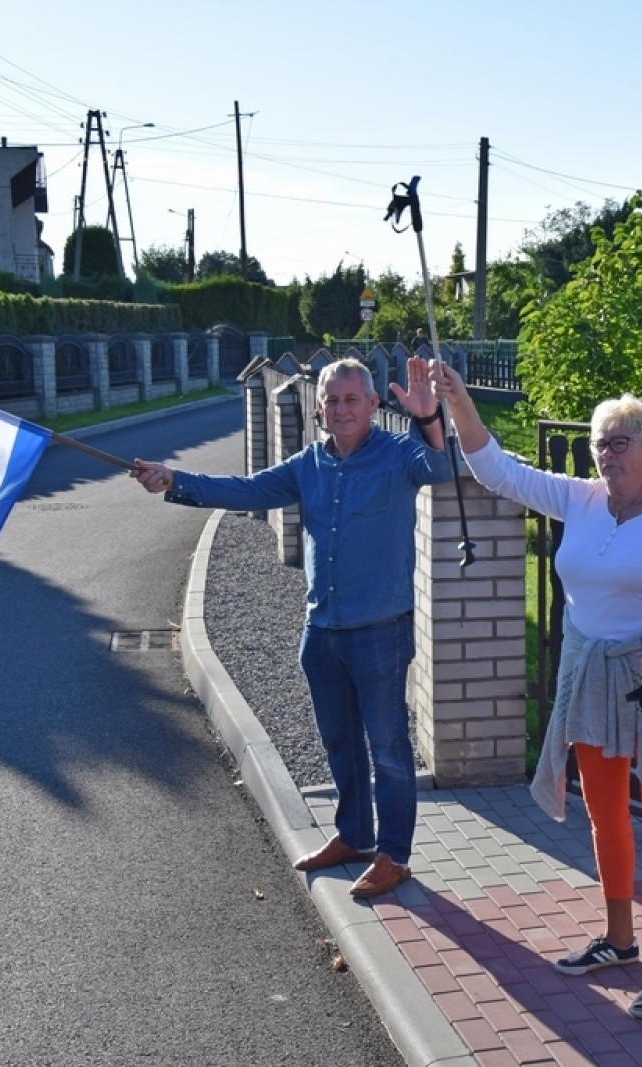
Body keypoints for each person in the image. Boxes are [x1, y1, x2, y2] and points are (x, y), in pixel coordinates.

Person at [429, 361, 642, 1023]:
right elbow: (498, 472)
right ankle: (620, 938)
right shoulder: (581, 498)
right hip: (589, 665)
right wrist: (461, 402)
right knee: (605, 809)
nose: (606, 452)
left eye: (620, 441)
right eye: (599, 442)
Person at [132, 356, 451, 899]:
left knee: (390, 749)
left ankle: (394, 856)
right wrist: (175, 481)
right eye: (331, 400)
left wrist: (429, 417)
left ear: (374, 405)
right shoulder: (310, 464)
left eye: (352, 399)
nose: (341, 408)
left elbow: (444, 470)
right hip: (322, 629)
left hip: (379, 630)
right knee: (339, 741)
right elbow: (248, 491)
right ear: (320, 408)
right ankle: (354, 837)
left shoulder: (398, 455)